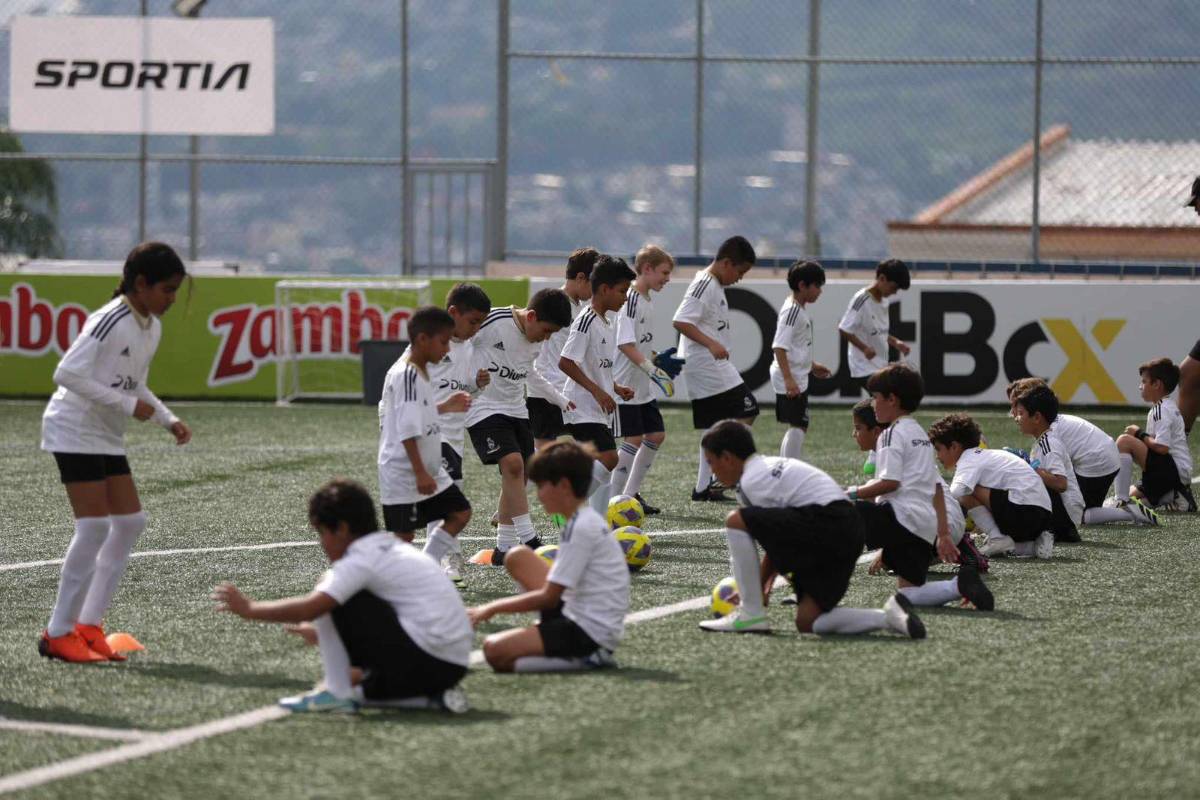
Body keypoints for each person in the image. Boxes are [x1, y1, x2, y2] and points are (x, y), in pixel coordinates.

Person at [38, 242, 191, 663]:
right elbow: (65, 373)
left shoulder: (150, 326)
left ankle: (88, 626)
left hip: (104, 433)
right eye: (167, 289)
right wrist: (128, 407)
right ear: (140, 284)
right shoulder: (110, 320)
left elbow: (133, 384)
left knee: (128, 523)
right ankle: (58, 633)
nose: (172, 299)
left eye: (176, 290)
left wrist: (167, 419)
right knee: (93, 529)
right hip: (73, 428)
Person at [213, 479, 472, 714]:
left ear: (342, 529)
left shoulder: (362, 559)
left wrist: (249, 609)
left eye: (322, 533)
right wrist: (332, 637)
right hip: (453, 665)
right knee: (361, 689)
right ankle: (429, 700)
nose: (321, 543)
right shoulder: (387, 547)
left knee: (329, 586)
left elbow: (310, 609)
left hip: (426, 661)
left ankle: (336, 691)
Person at [696, 420, 928, 638]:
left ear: (727, 458)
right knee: (808, 621)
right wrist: (761, 586)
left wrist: (756, 592)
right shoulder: (767, 467)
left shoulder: (753, 480)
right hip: (849, 532)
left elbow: (778, 537)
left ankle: (750, 615)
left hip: (829, 521)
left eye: (710, 462)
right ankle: (889, 617)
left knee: (735, 520)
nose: (712, 471)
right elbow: (780, 535)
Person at [468, 442, 630, 672]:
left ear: (563, 486)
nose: (539, 495)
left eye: (542, 486)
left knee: (494, 650)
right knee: (517, 556)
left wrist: (490, 609)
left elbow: (548, 598)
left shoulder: (582, 527)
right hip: (574, 611)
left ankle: (587, 657)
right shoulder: (577, 519)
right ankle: (558, 642)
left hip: (588, 633)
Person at [845, 366, 994, 612]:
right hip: (925, 529)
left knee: (838, 510)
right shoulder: (920, 434)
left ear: (892, 400)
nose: (873, 404)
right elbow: (936, 486)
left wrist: (850, 493)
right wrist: (944, 534)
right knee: (908, 594)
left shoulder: (890, 434)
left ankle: (813, 580)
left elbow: (890, 484)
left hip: (905, 522)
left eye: (876, 398)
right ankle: (959, 587)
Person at [465, 289, 574, 564]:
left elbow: (530, 374)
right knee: (513, 464)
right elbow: (458, 343)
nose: (546, 338)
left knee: (520, 475)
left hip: (516, 409)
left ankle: (503, 547)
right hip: (483, 407)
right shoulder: (493, 322)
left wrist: (560, 400)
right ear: (532, 316)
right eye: (546, 331)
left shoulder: (536, 341)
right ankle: (529, 538)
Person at [399, 283, 492, 583]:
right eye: (473, 322)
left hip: (453, 439)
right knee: (452, 505)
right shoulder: (424, 351)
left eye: (480, 323)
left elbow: (461, 393)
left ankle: (432, 563)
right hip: (428, 436)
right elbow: (408, 394)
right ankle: (443, 562)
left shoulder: (467, 348)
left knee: (443, 505)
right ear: (453, 313)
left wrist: (476, 385)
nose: (476, 329)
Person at [379, 307, 473, 575]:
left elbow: (417, 412)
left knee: (460, 513)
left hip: (429, 468)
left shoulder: (420, 371)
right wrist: (419, 472)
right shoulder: (407, 374)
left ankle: (427, 567)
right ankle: (384, 583)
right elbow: (408, 430)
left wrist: (445, 406)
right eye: (443, 342)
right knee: (403, 537)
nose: (447, 350)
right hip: (404, 470)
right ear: (422, 340)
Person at [850, 399, 987, 572]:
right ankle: (957, 548)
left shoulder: (893, 446)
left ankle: (950, 548)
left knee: (861, 504)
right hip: (945, 524)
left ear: (876, 431)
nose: (853, 434)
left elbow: (892, 490)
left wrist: (850, 493)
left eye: (858, 428)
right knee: (894, 561)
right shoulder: (901, 441)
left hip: (936, 526)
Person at [672, 235, 759, 502]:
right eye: (740, 272)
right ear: (725, 263)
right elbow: (681, 320)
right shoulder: (704, 285)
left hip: (709, 364)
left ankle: (704, 486)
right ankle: (718, 477)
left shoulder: (713, 284)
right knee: (748, 409)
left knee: (715, 427)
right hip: (706, 364)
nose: (739, 278)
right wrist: (711, 344)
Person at [558, 255, 637, 519]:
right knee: (609, 458)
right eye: (623, 291)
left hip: (597, 406)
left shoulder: (606, 322)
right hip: (580, 405)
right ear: (604, 289)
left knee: (604, 466)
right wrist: (598, 391)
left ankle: (597, 523)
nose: (625, 298)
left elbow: (595, 365)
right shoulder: (586, 320)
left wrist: (614, 387)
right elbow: (566, 362)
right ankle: (567, 506)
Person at [1005, 377, 1136, 525]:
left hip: (1098, 462)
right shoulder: (1050, 425)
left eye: (1017, 406)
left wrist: (1030, 467)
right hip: (1103, 456)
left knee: (1080, 513)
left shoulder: (1051, 434)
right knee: (1078, 506)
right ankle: (1123, 503)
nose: (1013, 412)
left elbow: (1060, 483)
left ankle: (1128, 512)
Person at [928, 413, 1055, 559]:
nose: (937, 456)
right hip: (1042, 515)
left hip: (1024, 511)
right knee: (970, 489)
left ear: (954, 447)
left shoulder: (968, 459)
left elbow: (957, 492)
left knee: (965, 492)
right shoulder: (985, 455)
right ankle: (1032, 546)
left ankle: (997, 537)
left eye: (938, 449)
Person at [611, 244, 677, 514]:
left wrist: (656, 358)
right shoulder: (630, 300)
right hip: (626, 384)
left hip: (643, 386)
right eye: (664, 272)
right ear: (646, 269)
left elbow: (639, 344)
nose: (667, 278)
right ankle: (611, 502)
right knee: (633, 439)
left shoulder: (647, 300)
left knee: (656, 435)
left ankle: (629, 495)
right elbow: (625, 345)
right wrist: (652, 369)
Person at [527, 248, 596, 451]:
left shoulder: (582, 309)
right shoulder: (553, 304)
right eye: (595, 284)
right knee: (543, 454)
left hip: (572, 392)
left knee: (596, 449)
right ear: (581, 278)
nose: (596, 291)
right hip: (546, 391)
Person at [1113, 357, 1196, 512]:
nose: (1140, 386)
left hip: (1172, 470)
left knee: (1124, 441)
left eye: (1144, 382)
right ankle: (1175, 497)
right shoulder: (1165, 407)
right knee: (1133, 498)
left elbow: (1162, 447)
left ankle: (1121, 500)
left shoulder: (1161, 410)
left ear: (1157, 384)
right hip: (1171, 472)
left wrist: (1138, 433)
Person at [770, 260, 831, 461]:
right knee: (799, 424)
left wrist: (811, 366)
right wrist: (788, 379)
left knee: (799, 425)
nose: (820, 291)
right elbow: (779, 346)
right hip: (791, 377)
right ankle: (788, 470)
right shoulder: (792, 311)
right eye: (817, 286)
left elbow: (796, 347)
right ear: (803, 285)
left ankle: (787, 467)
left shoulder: (797, 309)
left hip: (797, 374)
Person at [1010, 383, 1085, 541]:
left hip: (1066, 517)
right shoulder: (1042, 442)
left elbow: (1060, 483)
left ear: (1037, 417)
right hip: (1064, 515)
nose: (1016, 418)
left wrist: (1028, 467)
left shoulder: (1049, 444)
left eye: (1021, 413)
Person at [837, 259, 912, 393]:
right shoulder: (862, 299)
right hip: (864, 367)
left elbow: (877, 331)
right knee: (889, 401)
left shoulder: (884, 302)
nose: (895, 292)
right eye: (894, 287)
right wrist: (864, 348)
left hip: (879, 364)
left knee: (884, 404)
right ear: (882, 278)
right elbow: (844, 328)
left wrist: (896, 342)